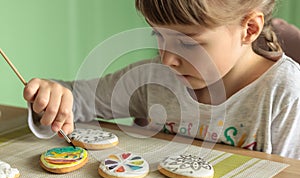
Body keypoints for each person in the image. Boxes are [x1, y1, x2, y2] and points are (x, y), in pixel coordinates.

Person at [23, 0, 300, 160]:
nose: (167, 60)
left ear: (249, 29)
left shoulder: (284, 92)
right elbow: (76, 100)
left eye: (188, 43)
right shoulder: (154, 78)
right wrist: (54, 97)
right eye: (158, 36)